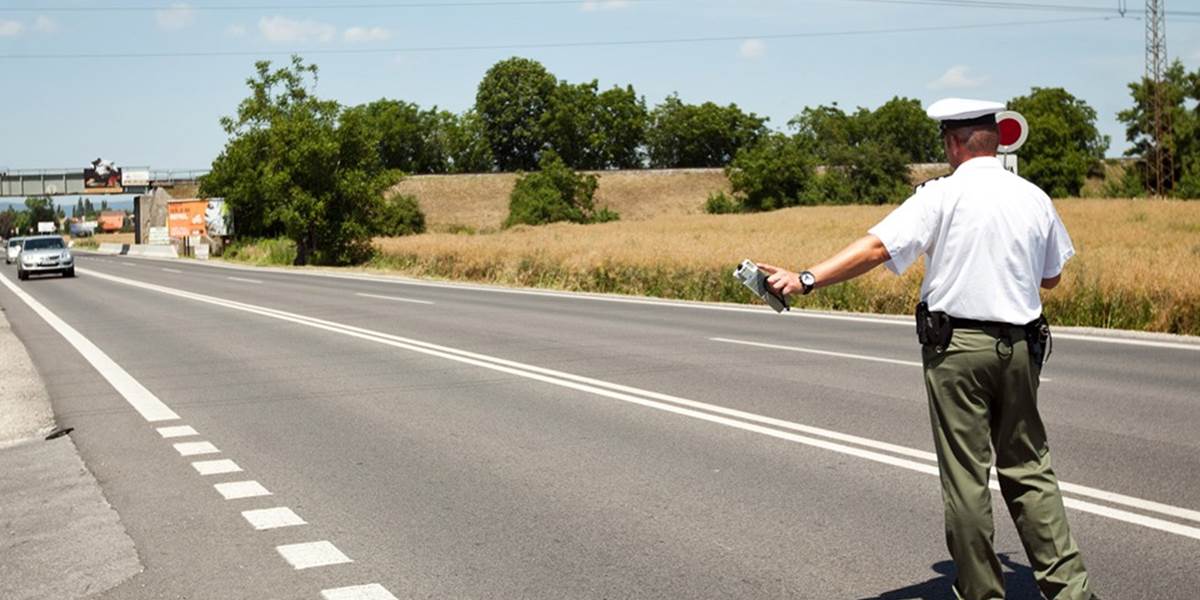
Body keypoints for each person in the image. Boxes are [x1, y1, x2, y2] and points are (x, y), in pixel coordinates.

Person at [755, 98, 1096, 600]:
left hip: (957, 347)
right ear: (997, 141)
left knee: (966, 475)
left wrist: (806, 279)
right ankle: (1071, 591)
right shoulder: (1033, 197)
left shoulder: (940, 196)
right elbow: (1052, 277)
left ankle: (982, 592)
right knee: (1029, 468)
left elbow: (877, 248)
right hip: (1023, 347)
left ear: (954, 143)